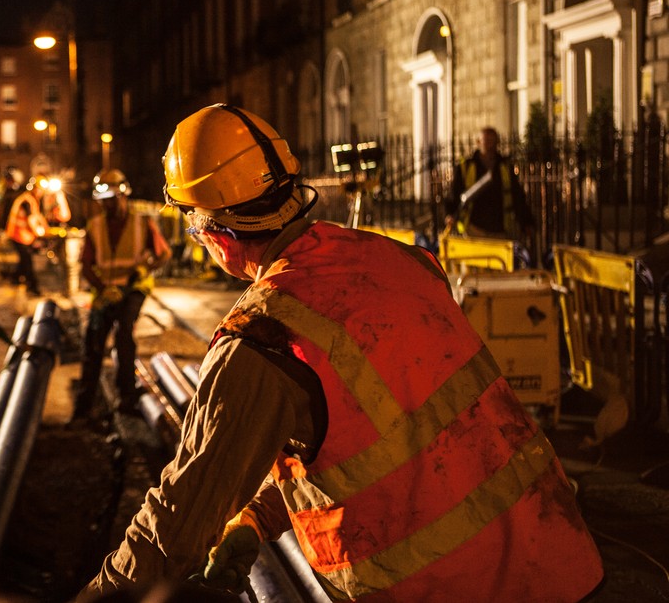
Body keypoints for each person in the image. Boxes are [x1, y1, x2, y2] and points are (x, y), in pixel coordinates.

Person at [82, 103, 603, 601]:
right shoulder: (402, 261)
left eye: (196, 225)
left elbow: (176, 522)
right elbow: (389, 439)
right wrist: (257, 518)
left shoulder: (261, 339)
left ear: (219, 232)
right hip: (562, 563)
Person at [72, 168, 170, 421]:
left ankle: (126, 398)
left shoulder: (141, 224)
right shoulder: (94, 226)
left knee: (124, 335)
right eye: (103, 200)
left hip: (133, 290)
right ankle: (84, 407)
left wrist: (143, 269)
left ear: (123, 195)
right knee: (93, 344)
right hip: (105, 293)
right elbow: (85, 264)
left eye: (112, 198)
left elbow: (163, 254)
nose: (108, 204)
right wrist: (103, 289)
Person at [443, 126, 535, 240]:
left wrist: (526, 222)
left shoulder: (504, 167)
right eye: (487, 141)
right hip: (473, 228)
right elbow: (454, 192)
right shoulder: (466, 167)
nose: (491, 146)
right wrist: (450, 213)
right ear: (478, 142)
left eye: (493, 141)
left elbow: (517, 195)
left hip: (499, 228)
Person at [4, 176, 49, 296]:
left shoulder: (32, 199)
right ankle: (32, 286)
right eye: (39, 189)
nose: (41, 192)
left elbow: (37, 215)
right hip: (19, 235)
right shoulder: (27, 200)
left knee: (24, 260)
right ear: (34, 188)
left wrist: (46, 227)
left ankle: (15, 278)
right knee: (27, 261)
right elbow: (30, 220)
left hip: (22, 235)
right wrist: (39, 234)